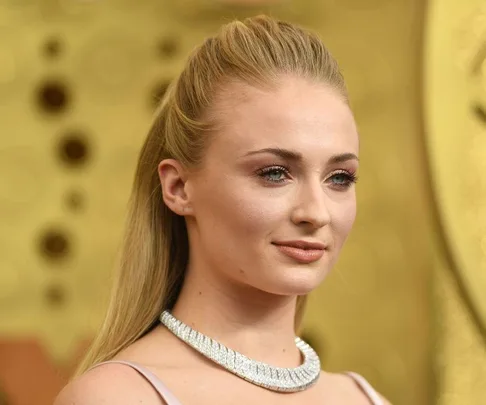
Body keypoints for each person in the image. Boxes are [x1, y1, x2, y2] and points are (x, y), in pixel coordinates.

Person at [55, 15, 391, 405]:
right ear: (179, 187)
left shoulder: (364, 399)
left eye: (339, 178)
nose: (316, 213)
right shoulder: (118, 397)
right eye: (275, 173)